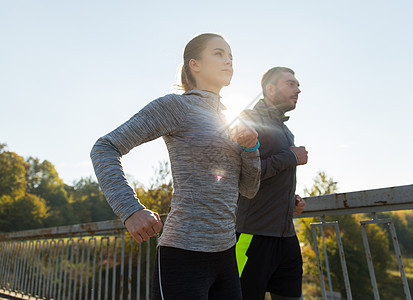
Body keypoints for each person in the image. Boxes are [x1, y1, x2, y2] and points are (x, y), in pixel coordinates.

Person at [90, 33, 261, 299]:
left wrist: (251, 148)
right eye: (219, 53)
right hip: (184, 255)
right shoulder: (176, 106)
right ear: (195, 64)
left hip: (226, 254)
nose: (228, 61)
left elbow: (249, 189)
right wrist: (130, 210)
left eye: (231, 56)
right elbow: (104, 148)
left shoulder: (231, 121)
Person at [235, 67, 308, 300]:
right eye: (291, 84)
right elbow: (242, 175)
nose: (298, 89)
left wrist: (290, 200)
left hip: (286, 238)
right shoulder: (248, 121)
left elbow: (273, 177)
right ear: (270, 89)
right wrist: (291, 157)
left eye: (297, 85)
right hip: (250, 236)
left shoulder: (286, 131)